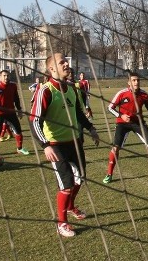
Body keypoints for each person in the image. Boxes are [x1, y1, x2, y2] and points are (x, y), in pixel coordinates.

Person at [30, 53, 100, 237]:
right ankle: (62, 224)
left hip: (75, 142)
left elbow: (77, 113)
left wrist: (90, 128)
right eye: (61, 62)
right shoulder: (45, 90)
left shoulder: (71, 88)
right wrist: (45, 145)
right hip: (56, 145)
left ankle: (70, 206)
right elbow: (34, 121)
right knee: (67, 184)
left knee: (81, 179)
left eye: (66, 61)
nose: (66, 64)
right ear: (52, 69)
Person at [103, 71, 148, 183]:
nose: (136, 82)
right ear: (129, 82)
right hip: (122, 124)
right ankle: (109, 174)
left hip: (138, 123)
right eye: (134, 80)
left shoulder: (144, 94)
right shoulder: (122, 93)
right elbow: (110, 108)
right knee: (115, 148)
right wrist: (121, 116)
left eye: (138, 80)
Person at [0, 69, 30, 158]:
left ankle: (20, 148)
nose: (6, 77)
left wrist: (19, 110)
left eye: (8, 75)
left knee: (18, 131)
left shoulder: (13, 85)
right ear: (0, 77)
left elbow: (16, 98)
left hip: (11, 112)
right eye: (4, 76)